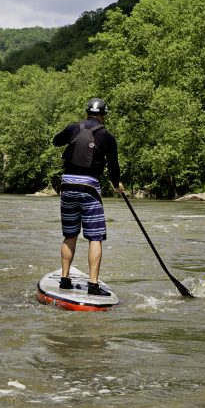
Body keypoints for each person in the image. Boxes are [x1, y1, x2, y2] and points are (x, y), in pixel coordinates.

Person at [51, 98, 126, 296]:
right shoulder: (107, 137)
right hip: (89, 187)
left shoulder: (73, 128)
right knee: (95, 237)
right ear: (102, 116)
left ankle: (65, 280)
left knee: (70, 234)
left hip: (67, 185)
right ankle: (93, 285)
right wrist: (117, 185)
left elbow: (56, 141)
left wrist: (70, 134)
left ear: (87, 113)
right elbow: (113, 168)